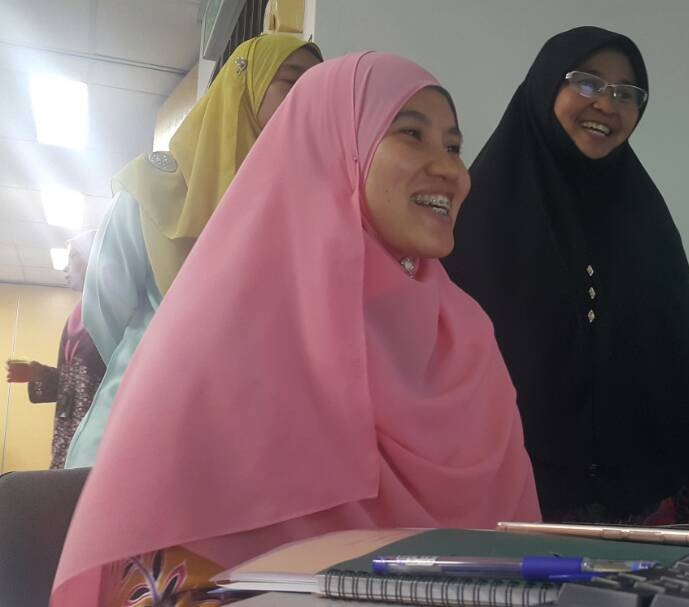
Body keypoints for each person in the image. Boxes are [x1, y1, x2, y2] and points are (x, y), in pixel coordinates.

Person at [50, 52, 540, 607]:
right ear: (334, 148)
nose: (452, 171)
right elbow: (157, 582)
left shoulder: (467, 338)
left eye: (453, 147)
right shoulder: (221, 341)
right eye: (411, 134)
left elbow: (518, 553)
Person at [443, 26, 689, 524]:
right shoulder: (478, 217)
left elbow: (684, 357)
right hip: (505, 504)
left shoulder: (643, 214)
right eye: (588, 82)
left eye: (627, 93)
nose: (607, 104)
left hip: (639, 511)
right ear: (545, 86)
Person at [64, 34, 322, 468]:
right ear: (246, 86)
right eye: (292, 82)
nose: (307, 99)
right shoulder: (153, 188)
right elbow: (104, 313)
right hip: (140, 427)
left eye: (318, 89)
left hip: (243, 447)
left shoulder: (313, 208)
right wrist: (167, 358)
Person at [4, 231, 105, 469]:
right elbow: (74, 383)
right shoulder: (77, 317)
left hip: (96, 444)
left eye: (74, 256)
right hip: (67, 435)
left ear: (96, 258)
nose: (66, 267)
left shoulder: (111, 315)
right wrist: (39, 374)